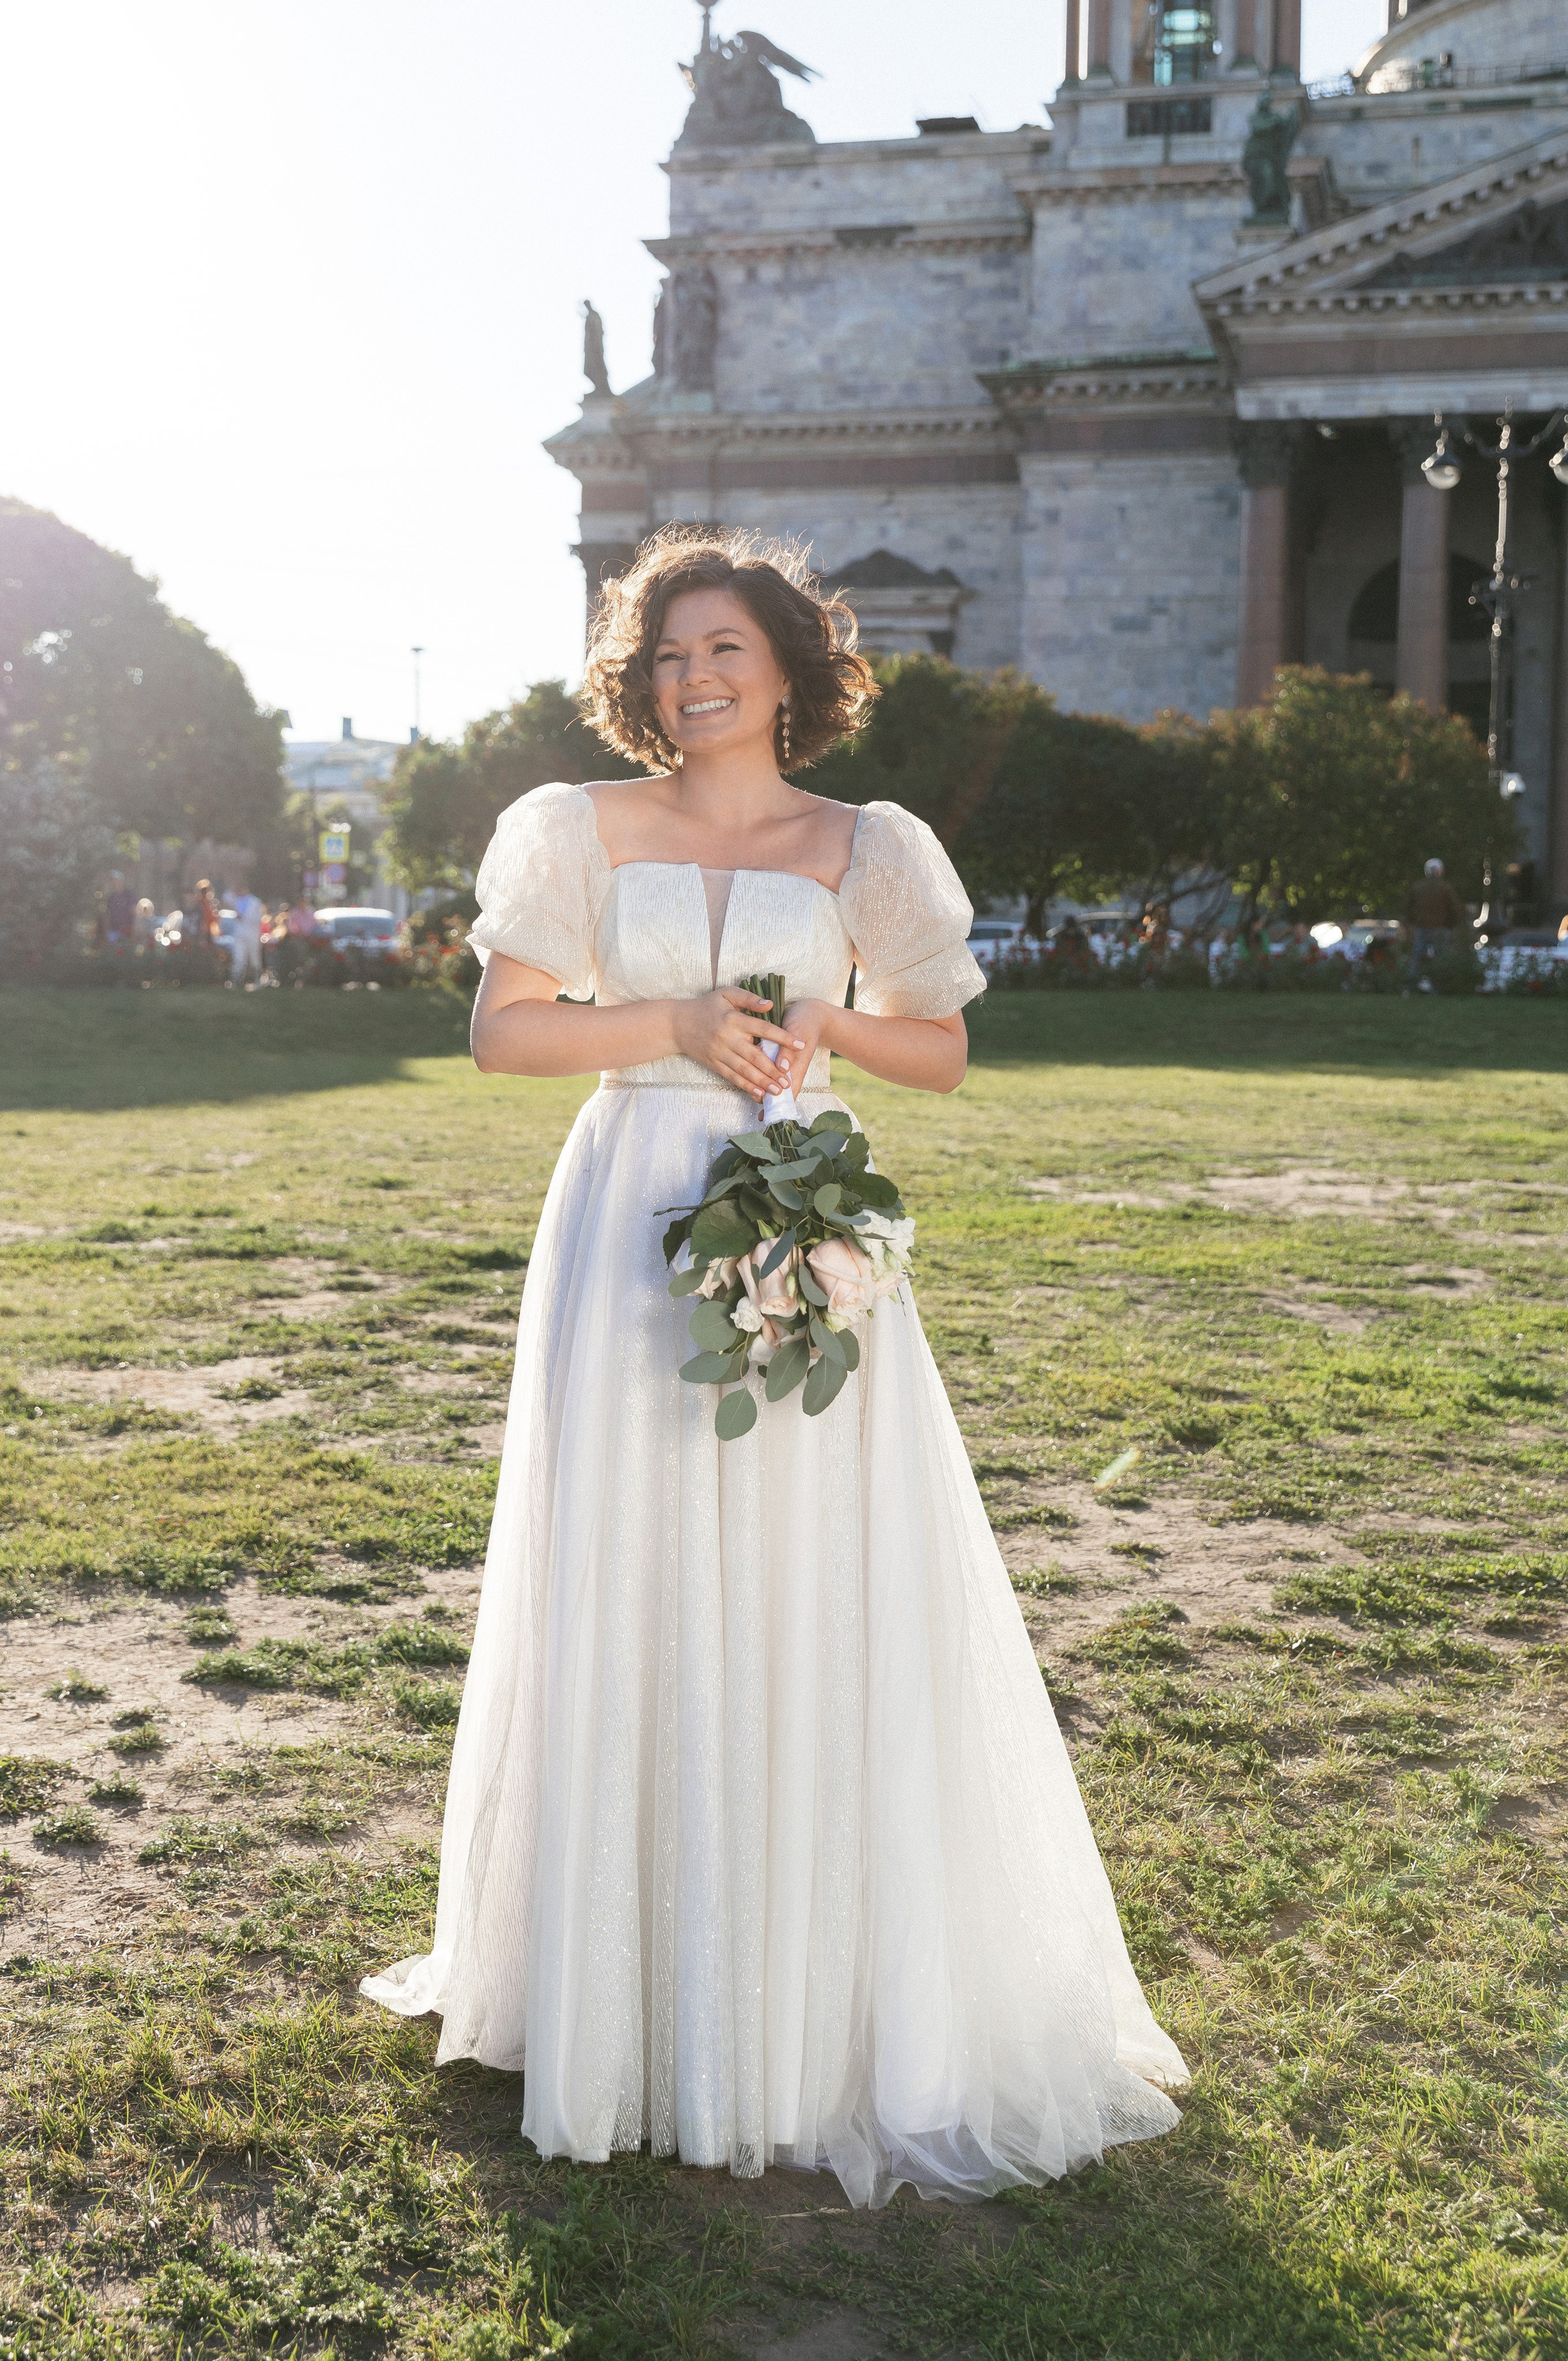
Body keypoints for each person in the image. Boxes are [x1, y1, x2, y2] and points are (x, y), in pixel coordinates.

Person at [359, 528, 1189, 2209]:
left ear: (792, 670)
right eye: (667, 656)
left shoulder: (868, 845)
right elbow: (504, 1030)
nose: (692, 681)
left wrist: (826, 1037)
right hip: (624, 1220)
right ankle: (622, 2001)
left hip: (805, 1218)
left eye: (724, 651)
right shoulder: (577, 830)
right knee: (631, 1570)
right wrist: (665, 1027)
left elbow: (942, 1048)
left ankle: (815, 2010)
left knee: (816, 1579)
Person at [1406, 858, 1463, 981]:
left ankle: (1412, 984)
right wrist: (1450, 925)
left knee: (1417, 957)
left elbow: (1408, 908)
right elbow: (1455, 909)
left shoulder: (1417, 887)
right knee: (1441, 957)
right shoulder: (1446, 888)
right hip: (1441, 928)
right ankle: (1439, 985)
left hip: (1421, 927)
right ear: (1440, 871)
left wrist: (1414, 922)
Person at [229, 884, 264, 986]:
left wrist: (243, 918)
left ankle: (257, 982)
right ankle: (237, 982)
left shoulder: (255, 902)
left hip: (252, 934)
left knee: (254, 959)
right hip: (240, 935)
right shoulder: (237, 901)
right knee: (239, 958)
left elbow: (258, 919)